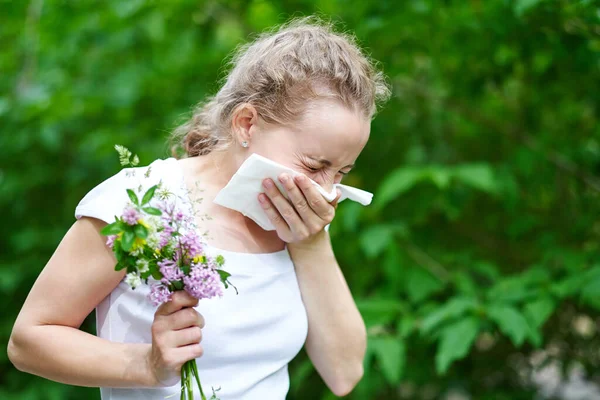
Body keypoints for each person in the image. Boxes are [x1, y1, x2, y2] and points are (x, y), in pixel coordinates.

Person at [7, 17, 390, 400]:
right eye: (313, 165)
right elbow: (29, 341)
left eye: (341, 172)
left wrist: (310, 243)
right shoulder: (142, 201)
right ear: (246, 124)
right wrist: (147, 365)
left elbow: (344, 373)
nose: (324, 189)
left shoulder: (296, 223)